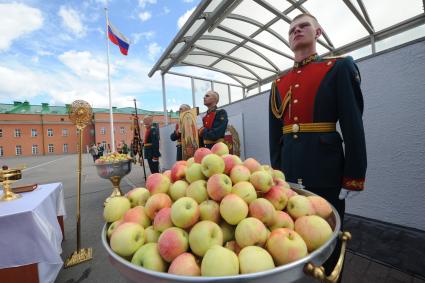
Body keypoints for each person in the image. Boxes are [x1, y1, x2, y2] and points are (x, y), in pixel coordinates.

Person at [268, 13, 367, 278]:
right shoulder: (278, 83)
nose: (297, 31)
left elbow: (353, 125)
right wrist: (276, 175)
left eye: (303, 26)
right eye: (292, 30)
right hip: (289, 172)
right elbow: (275, 135)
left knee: (328, 241)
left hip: (326, 170)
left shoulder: (338, 67)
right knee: (290, 239)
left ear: (318, 32)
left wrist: (354, 176)